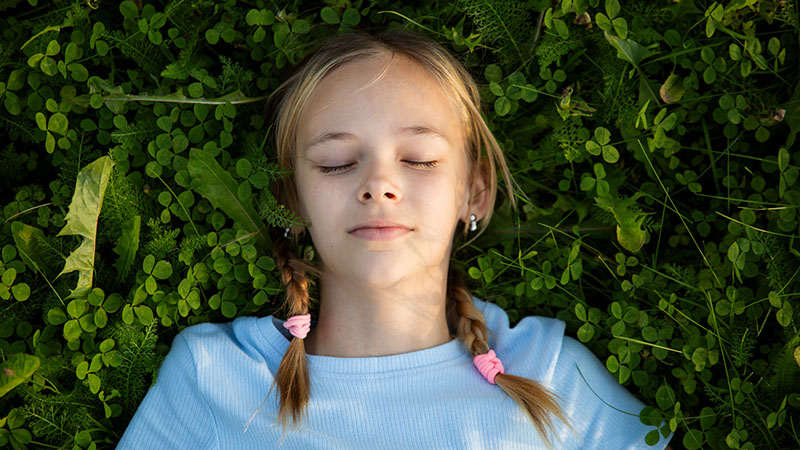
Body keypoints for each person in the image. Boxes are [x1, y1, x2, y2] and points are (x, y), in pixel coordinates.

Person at [117, 28, 673, 449]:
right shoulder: (216, 379)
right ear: (292, 201)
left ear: (474, 193)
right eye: (336, 164)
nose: (379, 184)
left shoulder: (549, 374)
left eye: (419, 159)